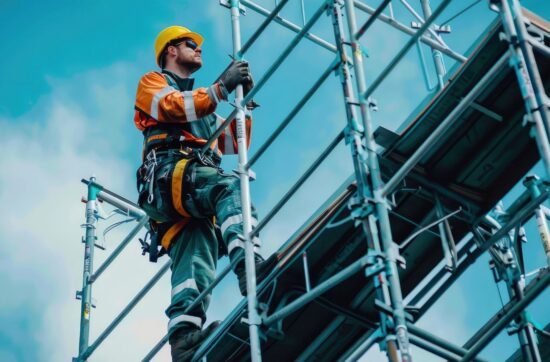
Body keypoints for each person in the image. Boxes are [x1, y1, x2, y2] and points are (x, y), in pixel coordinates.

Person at [133, 26, 277, 361]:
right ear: (171, 50)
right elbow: (170, 107)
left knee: (195, 258)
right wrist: (221, 88)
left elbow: (231, 143)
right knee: (229, 188)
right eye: (190, 44)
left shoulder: (202, 104)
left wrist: (244, 106)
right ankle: (249, 268)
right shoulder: (154, 82)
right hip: (172, 173)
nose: (198, 49)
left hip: (186, 184)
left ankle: (183, 339)